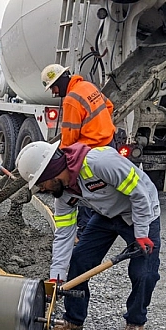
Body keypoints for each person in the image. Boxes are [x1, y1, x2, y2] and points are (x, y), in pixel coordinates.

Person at [16, 140, 160, 330]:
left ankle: (135, 321)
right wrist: (56, 277)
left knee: (144, 272)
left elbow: (139, 193)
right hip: (107, 216)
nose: (42, 189)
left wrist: (142, 232)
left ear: (51, 172)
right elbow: (64, 234)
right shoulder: (63, 196)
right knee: (79, 261)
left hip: (141, 212)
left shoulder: (99, 163)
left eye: (41, 183)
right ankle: (74, 319)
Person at [41, 64, 118, 237]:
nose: (54, 92)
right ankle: (101, 225)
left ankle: (84, 232)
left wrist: (59, 163)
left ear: (60, 81)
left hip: (90, 151)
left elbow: (69, 139)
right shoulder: (88, 86)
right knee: (104, 190)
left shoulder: (71, 100)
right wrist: (100, 126)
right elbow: (110, 106)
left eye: (53, 87)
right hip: (108, 143)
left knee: (84, 190)